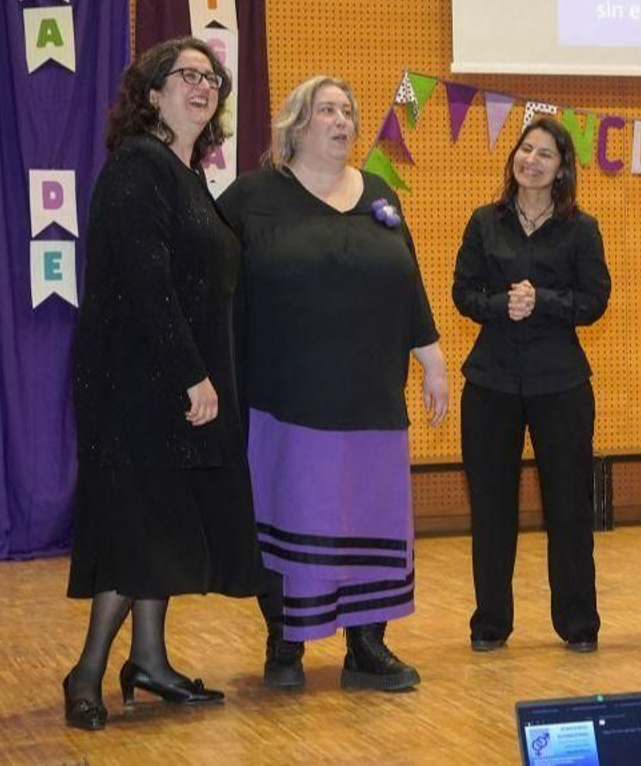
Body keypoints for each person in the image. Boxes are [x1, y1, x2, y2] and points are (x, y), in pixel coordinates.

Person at [216, 76, 447, 693]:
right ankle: (285, 642)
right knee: (291, 513)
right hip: (287, 396)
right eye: (327, 110)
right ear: (296, 125)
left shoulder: (378, 193)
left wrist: (431, 357)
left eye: (348, 110)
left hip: (372, 397)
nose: (343, 120)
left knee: (373, 517)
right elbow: (211, 286)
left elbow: (408, 280)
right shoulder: (252, 198)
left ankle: (367, 646)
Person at [65, 37, 261, 730]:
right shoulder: (137, 167)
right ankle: (86, 671)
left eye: (212, 79)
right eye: (187, 75)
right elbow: (148, 284)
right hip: (135, 384)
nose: (203, 86)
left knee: (164, 524)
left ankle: (148, 658)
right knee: (136, 528)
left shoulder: (187, 175)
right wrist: (191, 374)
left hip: (171, 381)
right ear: (152, 93)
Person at [453, 116, 611, 654]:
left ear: (562, 168)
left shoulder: (581, 229)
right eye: (526, 149)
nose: (532, 160)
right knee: (491, 508)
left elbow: (595, 300)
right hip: (490, 380)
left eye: (545, 154)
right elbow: (463, 293)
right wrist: (504, 304)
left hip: (560, 381)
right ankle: (490, 623)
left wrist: (542, 301)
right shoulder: (484, 221)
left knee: (569, 506)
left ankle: (578, 623)